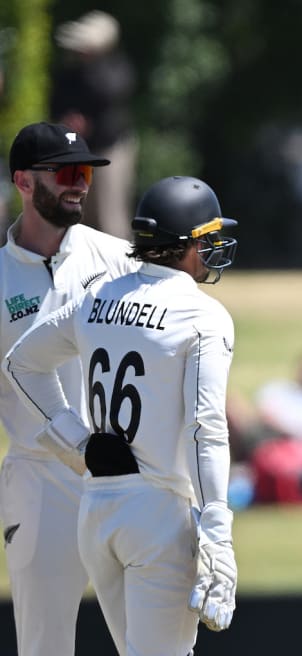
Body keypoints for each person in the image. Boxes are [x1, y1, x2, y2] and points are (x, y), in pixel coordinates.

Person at [4, 175, 240, 655]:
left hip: (98, 511)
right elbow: (206, 430)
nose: (213, 249)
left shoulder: (97, 297)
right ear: (186, 245)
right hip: (158, 514)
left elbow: (21, 362)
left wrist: (76, 442)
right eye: (208, 238)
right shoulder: (202, 314)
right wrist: (218, 530)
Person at [0, 121, 139, 656]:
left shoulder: (119, 259)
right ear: (24, 182)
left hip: (124, 473)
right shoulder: (3, 278)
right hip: (38, 481)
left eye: (83, 171)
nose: (79, 183)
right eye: (64, 173)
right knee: (44, 645)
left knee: (147, 641)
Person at [50, 10, 137, 240]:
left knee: (111, 216)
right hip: (77, 152)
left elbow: (108, 93)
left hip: (111, 150)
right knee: (77, 216)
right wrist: (67, 120)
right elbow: (57, 104)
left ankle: (121, 270)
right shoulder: (70, 72)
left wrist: (92, 62)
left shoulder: (116, 68)